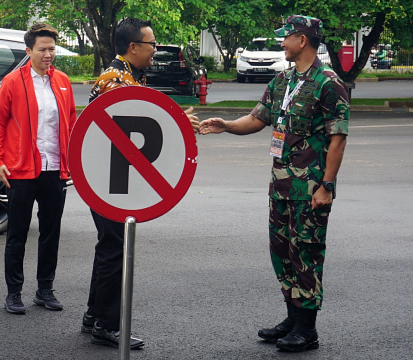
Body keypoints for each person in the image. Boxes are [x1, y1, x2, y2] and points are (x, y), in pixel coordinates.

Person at [197, 15, 349, 352]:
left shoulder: (328, 82)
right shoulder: (283, 80)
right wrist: (226, 124)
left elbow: (338, 139)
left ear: (303, 40)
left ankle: (307, 329)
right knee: (281, 252)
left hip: (310, 188)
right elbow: (257, 119)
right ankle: (292, 317)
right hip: (280, 184)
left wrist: (327, 186)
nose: (281, 43)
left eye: (286, 37)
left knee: (305, 253)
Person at [81, 17, 198, 350]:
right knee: (114, 249)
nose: (155, 50)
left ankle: (94, 315)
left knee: (109, 246)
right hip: (107, 180)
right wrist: (175, 120)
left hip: (110, 179)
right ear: (133, 47)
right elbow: (135, 124)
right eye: (152, 45)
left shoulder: (128, 76)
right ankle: (106, 325)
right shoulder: (115, 81)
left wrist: (175, 119)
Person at [0, 22, 76, 315]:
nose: (49, 54)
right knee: (18, 234)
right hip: (22, 171)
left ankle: (45, 289)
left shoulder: (62, 82)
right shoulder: (13, 82)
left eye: (52, 48)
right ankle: (14, 293)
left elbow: (72, 124)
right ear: (29, 51)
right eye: (43, 49)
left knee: (51, 233)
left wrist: (72, 161)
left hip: (54, 170)